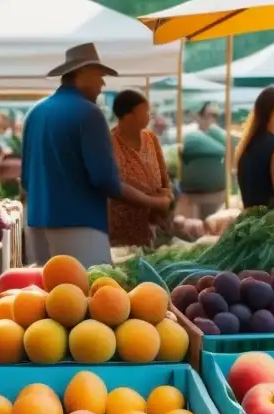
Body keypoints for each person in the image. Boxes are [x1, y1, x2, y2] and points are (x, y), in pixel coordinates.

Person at [21, 43, 170, 267]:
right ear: (81, 72)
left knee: (45, 297)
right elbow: (105, 180)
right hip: (80, 228)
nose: (103, 83)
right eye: (99, 75)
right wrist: (154, 202)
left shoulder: (35, 112)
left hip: (37, 225)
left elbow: (25, 180)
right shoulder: (89, 113)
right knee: (89, 296)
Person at [109, 89, 170, 247]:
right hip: (121, 227)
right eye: (144, 112)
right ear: (128, 116)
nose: (149, 116)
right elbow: (116, 182)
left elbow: (163, 174)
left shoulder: (150, 138)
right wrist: (152, 199)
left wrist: (166, 196)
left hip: (153, 224)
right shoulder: (110, 142)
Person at [177, 103, 229, 219]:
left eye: (215, 116)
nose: (212, 119)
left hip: (216, 195)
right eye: (209, 115)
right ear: (199, 117)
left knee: (212, 229)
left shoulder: (220, 135)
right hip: (191, 197)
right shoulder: (188, 134)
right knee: (192, 231)